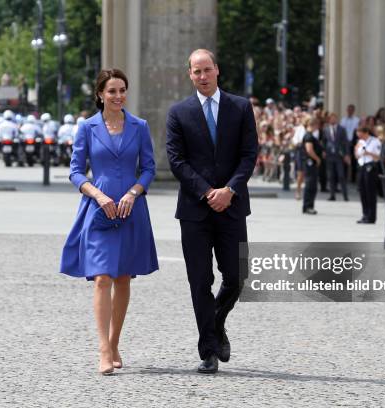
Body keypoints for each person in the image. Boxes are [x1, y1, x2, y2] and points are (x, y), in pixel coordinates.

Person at [60, 68, 158, 375]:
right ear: (100, 94)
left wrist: (133, 193)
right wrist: (98, 196)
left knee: (123, 278)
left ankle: (115, 342)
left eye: (122, 90)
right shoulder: (87, 128)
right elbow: (76, 171)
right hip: (99, 210)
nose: (118, 96)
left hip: (131, 210)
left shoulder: (139, 126)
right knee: (101, 277)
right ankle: (104, 348)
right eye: (112, 91)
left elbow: (149, 168)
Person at [166, 49, 258, 374]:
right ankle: (208, 349)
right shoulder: (179, 112)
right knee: (200, 281)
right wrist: (207, 192)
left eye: (207, 69)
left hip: (232, 206)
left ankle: (216, 324)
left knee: (236, 277)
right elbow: (176, 161)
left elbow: (249, 154)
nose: (202, 76)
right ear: (189, 75)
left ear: (217, 70)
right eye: (196, 71)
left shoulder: (241, 107)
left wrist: (229, 190)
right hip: (195, 210)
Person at [354, 126, 381, 224]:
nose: (359, 136)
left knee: (370, 192)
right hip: (361, 166)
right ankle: (365, 214)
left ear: (366, 132)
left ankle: (371, 216)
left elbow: (379, 156)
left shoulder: (375, 141)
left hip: (371, 166)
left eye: (360, 134)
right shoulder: (360, 142)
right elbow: (357, 155)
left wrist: (368, 153)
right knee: (362, 191)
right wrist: (356, 150)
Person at [323, 112, 350, 201]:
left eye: (334, 118)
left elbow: (345, 142)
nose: (332, 120)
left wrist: (346, 154)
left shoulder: (342, 129)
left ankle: (345, 195)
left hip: (339, 155)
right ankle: (332, 195)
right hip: (329, 154)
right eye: (331, 118)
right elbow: (324, 141)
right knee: (331, 176)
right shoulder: (326, 129)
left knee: (341, 175)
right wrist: (323, 151)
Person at [302, 118, 322, 214]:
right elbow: (309, 150)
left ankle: (308, 206)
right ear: (313, 125)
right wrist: (317, 158)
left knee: (311, 185)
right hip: (310, 163)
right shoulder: (309, 136)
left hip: (311, 163)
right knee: (310, 185)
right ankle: (308, 206)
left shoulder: (310, 135)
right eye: (317, 125)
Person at [340, 104, 360, 183]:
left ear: (353, 111)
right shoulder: (343, 120)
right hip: (345, 142)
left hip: (353, 141)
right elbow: (342, 130)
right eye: (349, 109)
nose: (350, 111)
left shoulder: (356, 120)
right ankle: (344, 177)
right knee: (345, 159)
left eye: (351, 110)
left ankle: (353, 178)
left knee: (354, 161)